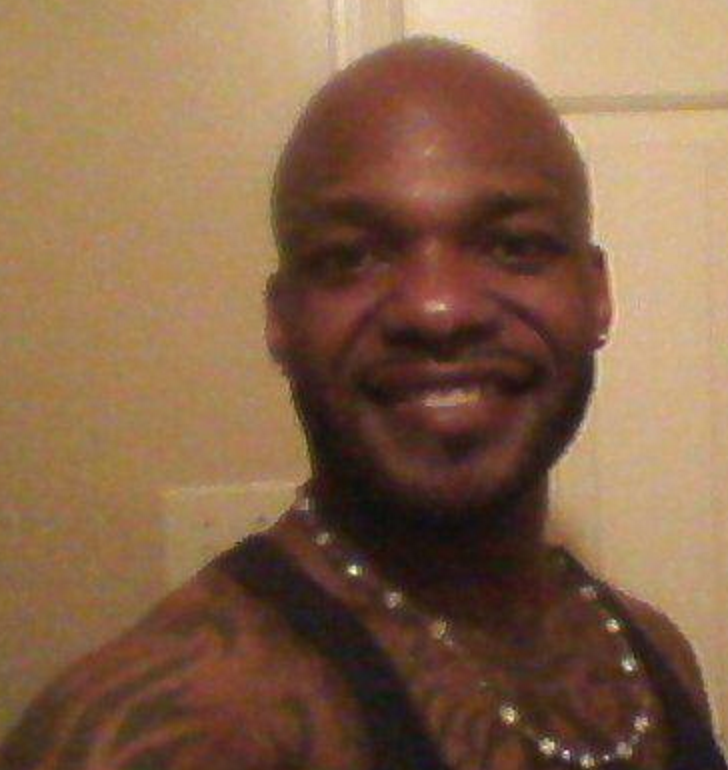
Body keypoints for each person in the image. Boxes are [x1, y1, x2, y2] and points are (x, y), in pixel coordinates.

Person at [1, 37, 724, 770]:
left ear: (597, 294)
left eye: (513, 246)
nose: (438, 309)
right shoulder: (173, 732)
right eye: (352, 257)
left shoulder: (649, 651)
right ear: (281, 319)